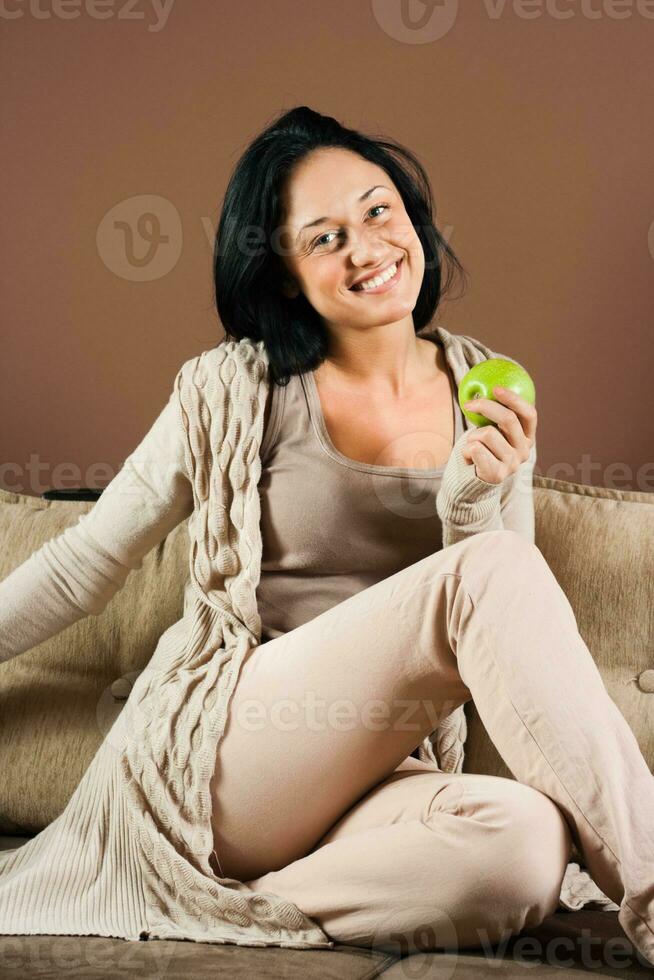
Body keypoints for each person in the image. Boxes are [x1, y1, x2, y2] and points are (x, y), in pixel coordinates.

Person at [1, 105, 652, 964]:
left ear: (413, 221)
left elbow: (514, 625)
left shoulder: (483, 383)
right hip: (228, 754)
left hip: (375, 779)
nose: (368, 248)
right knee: (488, 568)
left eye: (379, 211)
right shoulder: (234, 391)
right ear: (283, 278)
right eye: (325, 237)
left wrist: (466, 506)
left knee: (524, 850)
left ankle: (211, 900)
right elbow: (85, 562)